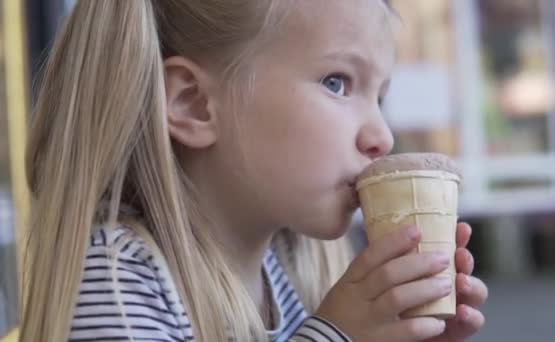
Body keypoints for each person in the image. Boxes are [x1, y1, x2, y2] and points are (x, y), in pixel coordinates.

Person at [19, 1, 488, 341]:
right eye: (337, 82)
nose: (382, 136)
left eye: (380, 96)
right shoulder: (120, 279)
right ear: (193, 104)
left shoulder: (277, 278)